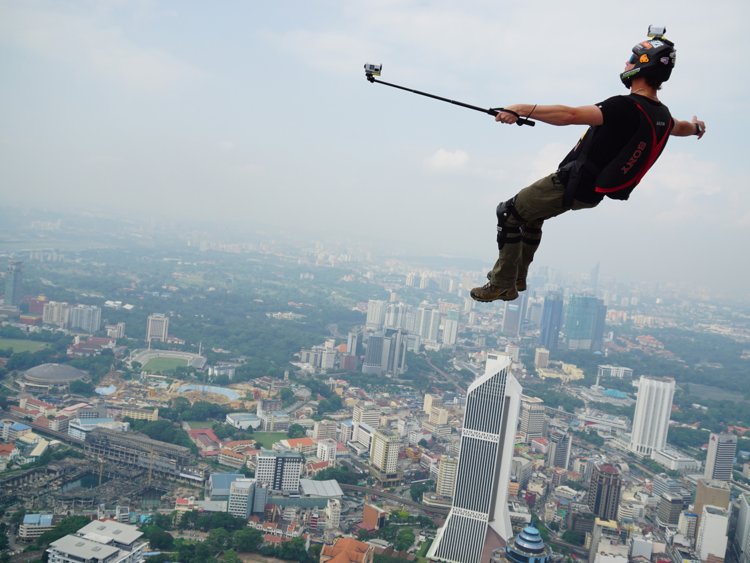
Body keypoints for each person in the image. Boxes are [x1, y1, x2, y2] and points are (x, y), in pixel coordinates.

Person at [470, 26, 706, 303]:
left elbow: (569, 115)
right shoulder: (661, 115)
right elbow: (680, 127)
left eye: (631, 59)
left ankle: (502, 284)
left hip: (570, 182)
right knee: (531, 216)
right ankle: (517, 279)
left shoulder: (625, 106)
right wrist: (696, 127)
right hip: (588, 192)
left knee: (509, 212)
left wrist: (520, 109)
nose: (626, 63)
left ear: (643, 66)